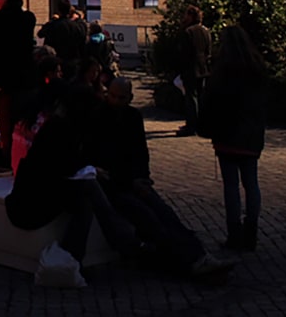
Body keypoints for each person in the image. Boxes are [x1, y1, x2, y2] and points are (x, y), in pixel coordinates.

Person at [91, 77, 236, 281]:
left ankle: (198, 256)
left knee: (165, 213)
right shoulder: (99, 117)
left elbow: (140, 152)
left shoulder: (132, 117)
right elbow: (103, 157)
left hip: (131, 181)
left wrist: (142, 178)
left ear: (129, 98)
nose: (115, 101)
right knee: (149, 218)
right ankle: (188, 260)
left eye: (121, 98)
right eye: (112, 96)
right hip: (114, 185)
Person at [4, 86, 147, 285]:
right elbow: (62, 166)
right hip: (33, 200)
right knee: (88, 190)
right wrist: (91, 169)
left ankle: (87, 252)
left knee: (87, 196)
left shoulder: (65, 129)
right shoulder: (60, 130)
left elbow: (68, 165)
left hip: (40, 192)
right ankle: (121, 239)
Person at [203, 24, 268, 250]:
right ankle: (251, 231)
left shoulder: (222, 70)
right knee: (251, 184)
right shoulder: (257, 68)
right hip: (250, 133)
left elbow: (211, 101)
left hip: (227, 133)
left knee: (231, 185)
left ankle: (234, 233)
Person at [0, 0, 37, 153]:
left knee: (5, 117)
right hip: (25, 75)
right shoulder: (29, 18)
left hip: (4, 76)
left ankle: (8, 152)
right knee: (22, 119)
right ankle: (21, 150)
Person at [175, 6, 212, 137]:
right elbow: (208, 51)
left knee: (191, 97)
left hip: (190, 68)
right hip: (203, 69)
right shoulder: (205, 31)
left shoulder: (188, 32)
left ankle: (191, 125)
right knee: (200, 96)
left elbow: (184, 53)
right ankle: (201, 123)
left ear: (190, 16)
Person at [38, 0, 88, 73]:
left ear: (58, 10)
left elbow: (40, 34)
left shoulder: (53, 25)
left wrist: (52, 21)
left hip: (56, 63)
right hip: (73, 63)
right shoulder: (77, 26)